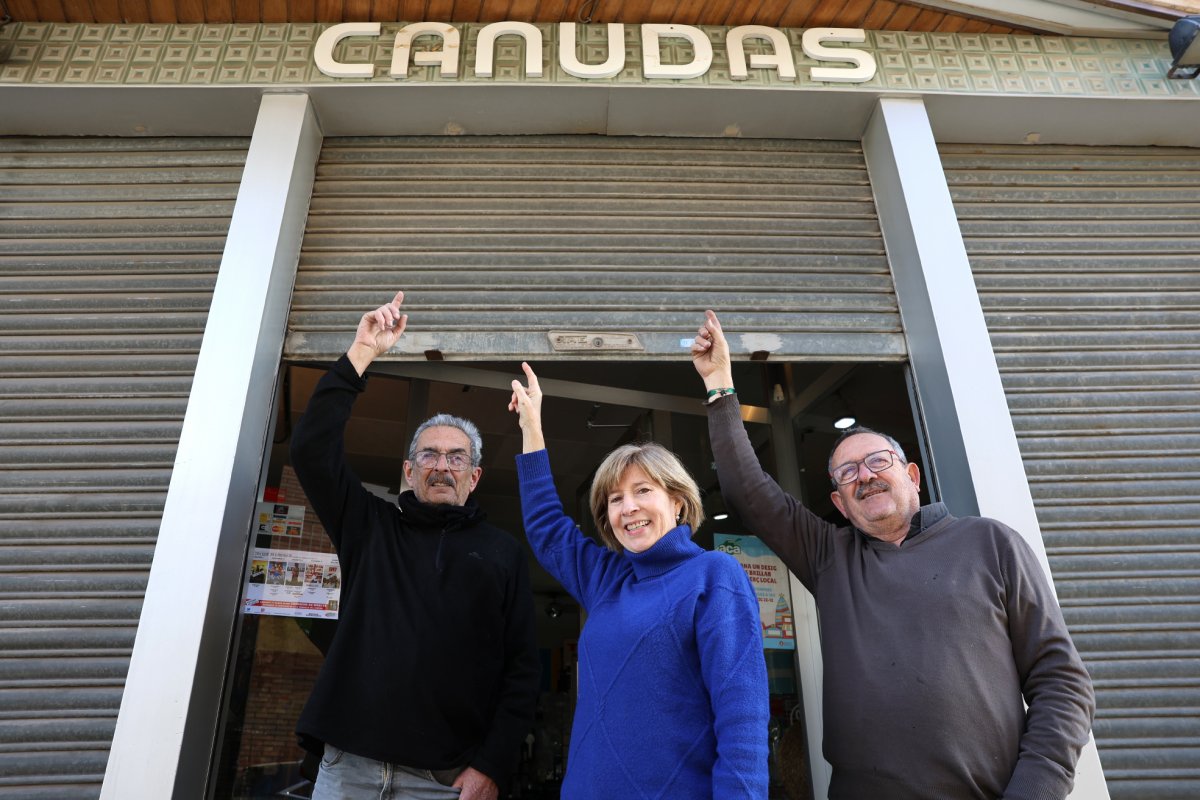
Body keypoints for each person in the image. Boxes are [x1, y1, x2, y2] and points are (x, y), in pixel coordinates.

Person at [690, 309, 1096, 800]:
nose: (864, 475)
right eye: (847, 474)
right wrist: (720, 386)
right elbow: (747, 492)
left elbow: (1062, 682)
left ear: (913, 476)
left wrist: (1035, 790)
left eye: (877, 461)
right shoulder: (831, 557)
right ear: (838, 503)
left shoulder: (992, 544)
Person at [289, 291, 540, 800]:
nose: (442, 466)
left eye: (456, 458)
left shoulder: (503, 553)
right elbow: (311, 451)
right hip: (347, 770)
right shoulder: (369, 527)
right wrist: (361, 354)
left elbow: (524, 672)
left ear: (474, 476)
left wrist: (492, 765)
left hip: (444, 782)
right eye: (429, 455)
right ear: (408, 471)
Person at [508, 362, 770, 799]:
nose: (627, 507)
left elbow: (741, 716)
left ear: (679, 502)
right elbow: (547, 529)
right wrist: (532, 427)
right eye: (614, 499)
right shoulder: (607, 579)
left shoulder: (713, 575)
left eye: (643, 491)